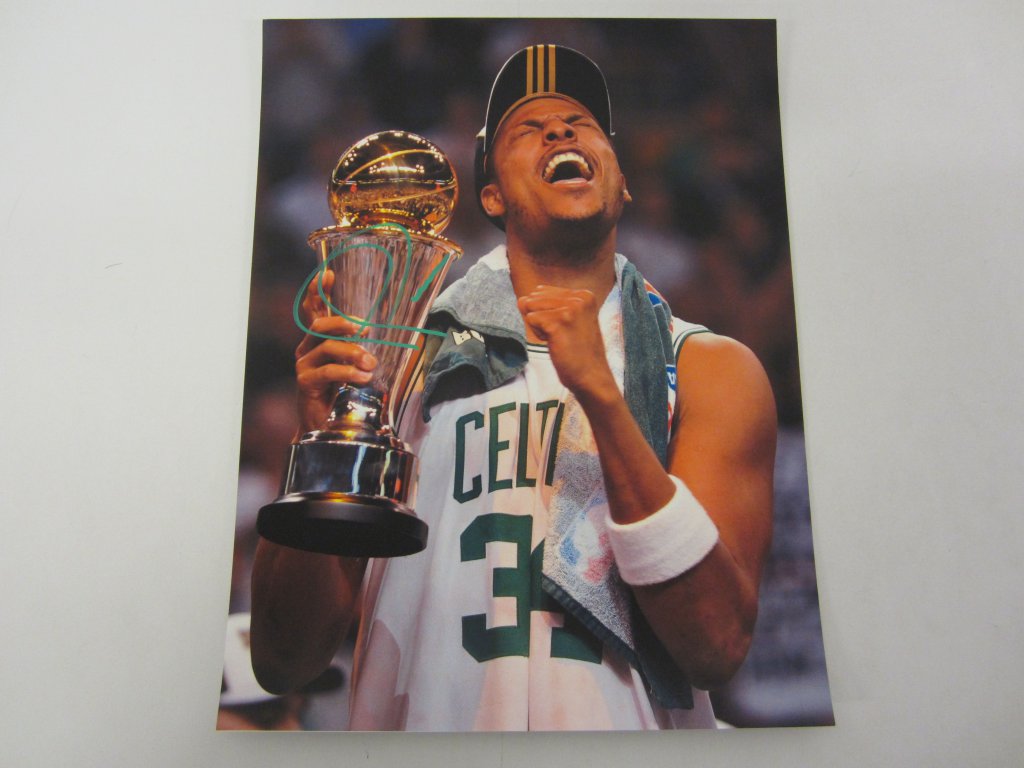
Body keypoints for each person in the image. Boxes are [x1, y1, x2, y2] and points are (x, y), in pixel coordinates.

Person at [250, 44, 776, 730]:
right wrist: (324, 448)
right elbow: (285, 659)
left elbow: (716, 645)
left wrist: (603, 399)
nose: (559, 129)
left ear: (623, 184)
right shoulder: (401, 361)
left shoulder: (707, 367)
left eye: (581, 123)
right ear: (491, 195)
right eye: (527, 129)